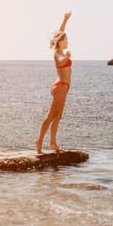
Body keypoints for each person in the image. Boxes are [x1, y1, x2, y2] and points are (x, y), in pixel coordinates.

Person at [35, 12, 72, 154]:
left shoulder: (61, 50)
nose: (68, 41)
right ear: (61, 42)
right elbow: (59, 62)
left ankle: (52, 143)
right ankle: (39, 142)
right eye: (66, 39)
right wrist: (67, 57)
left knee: (58, 116)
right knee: (51, 115)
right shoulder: (58, 53)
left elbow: (61, 32)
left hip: (64, 87)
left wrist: (65, 19)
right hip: (60, 86)